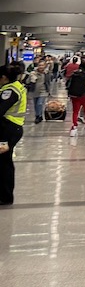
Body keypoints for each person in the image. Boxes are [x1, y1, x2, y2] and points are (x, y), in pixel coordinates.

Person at [0, 62, 26, 206]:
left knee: (4, 163)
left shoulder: (9, 91)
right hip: (11, 129)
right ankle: (5, 195)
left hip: (7, 131)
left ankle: (5, 196)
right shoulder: (16, 86)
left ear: (4, 77)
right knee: (5, 162)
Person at [66, 59, 85, 136]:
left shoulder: (75, 73)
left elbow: (67, 84)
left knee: (75, 111)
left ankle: (74, 127)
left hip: (74, 95)